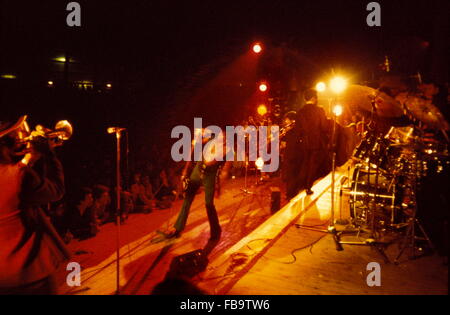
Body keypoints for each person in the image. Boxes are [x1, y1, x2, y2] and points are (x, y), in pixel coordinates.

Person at [0, 116, 67, 294]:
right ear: (5, 142)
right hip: (30, 270)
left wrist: (29, 161)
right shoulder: (21, 175)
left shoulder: (17, 173)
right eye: (16, 134)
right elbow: (57, 191)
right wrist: (49, 154)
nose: (22, 137)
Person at [164, 131, 225, 240]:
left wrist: (218, 186)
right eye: (220, 135)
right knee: (187, 200)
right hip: (197, 172)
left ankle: (216, 231)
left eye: (224, 137)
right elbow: (202, 135)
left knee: (209, 204)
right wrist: (198, 136)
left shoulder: (227, 150)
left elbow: (219, 168)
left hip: (209, 176)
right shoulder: (211, 139)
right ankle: (178, 228)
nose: (221, 138)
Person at [284, 88, 331, 199]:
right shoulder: (319, 110)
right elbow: (324, 127)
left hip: (304, 142)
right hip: (317, 142)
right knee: (313, 165)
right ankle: (308, 186)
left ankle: (301, 184)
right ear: (314, 98)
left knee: (305, 163)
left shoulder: (300, 111)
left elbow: (298, 129)